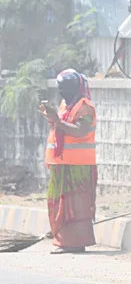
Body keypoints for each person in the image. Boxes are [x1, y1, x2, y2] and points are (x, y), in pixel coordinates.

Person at [39, 69, 98, 254]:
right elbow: (59, 126)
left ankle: (76, 243)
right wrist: (52, 118)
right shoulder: (66, 104)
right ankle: (63, 240)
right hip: (61, 164)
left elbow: (80, 131)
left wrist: (56, 120)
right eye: (60, 89)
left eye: (66, 88)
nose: (62, 92)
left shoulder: (85, 107)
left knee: (77, 205)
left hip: (78, 167)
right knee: (58, 202)